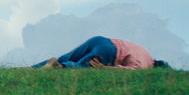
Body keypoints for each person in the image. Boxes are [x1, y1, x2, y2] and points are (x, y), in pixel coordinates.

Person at [34, 36, 170, 69]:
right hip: (109, 51)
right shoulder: (144, 65)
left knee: (68, 56)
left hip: (101, 40)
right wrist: (104, 67)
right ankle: (59, 67)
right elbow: (127, 70)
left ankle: (32, 68)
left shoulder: (144, 51)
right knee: (81, 67)